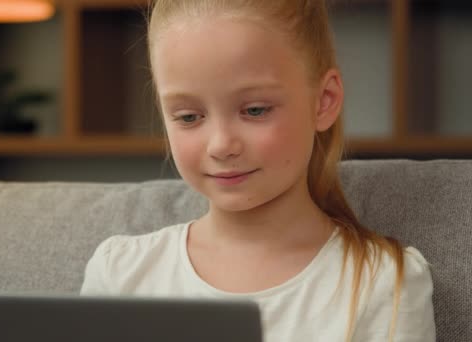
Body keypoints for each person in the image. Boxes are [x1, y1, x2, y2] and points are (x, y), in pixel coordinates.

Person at [80, 0, 436, 341]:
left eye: (254, 111)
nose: (221, 145)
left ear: (324, 101)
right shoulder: (120, 273)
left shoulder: (383, 281)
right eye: (189, 117)